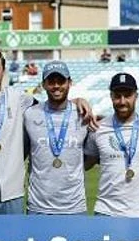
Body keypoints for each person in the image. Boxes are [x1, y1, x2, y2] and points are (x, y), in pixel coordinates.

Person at [0, 48, 96, 214]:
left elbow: (55, 103)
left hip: (13, 198)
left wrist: (76, 101)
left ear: (3, 71)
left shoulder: (20, 99)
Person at [87, 73, 139, 218]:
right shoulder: (98, 129)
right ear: (111, 96)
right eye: (117, 95)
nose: (122, 101)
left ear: (136, 96)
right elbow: (85, 164)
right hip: (106, 213)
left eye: (127, 95)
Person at [24, 61, 92, 215]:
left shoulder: (83, 114)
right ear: (43, 85)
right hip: (38, 208)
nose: (56, 86)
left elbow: (90, 158)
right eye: (51, 81)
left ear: (70, 83)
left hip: (75, 208)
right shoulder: (30, 114)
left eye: (61, 81)